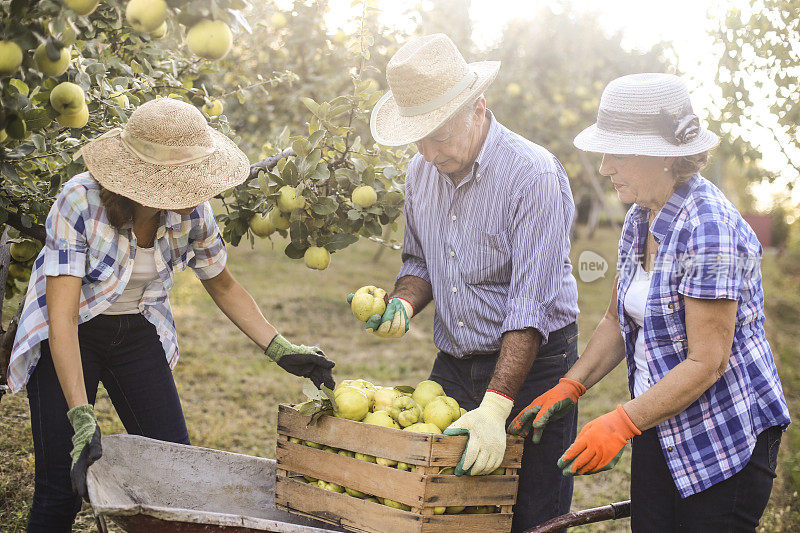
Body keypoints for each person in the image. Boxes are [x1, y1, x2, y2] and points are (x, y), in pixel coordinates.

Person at [8, 98, 336, 532]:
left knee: (173, 471)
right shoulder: (80, 201)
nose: (201, 191)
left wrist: (278, 347)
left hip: (136, 331)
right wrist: (81, 415)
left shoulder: (193, 211)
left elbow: (223, 284)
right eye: (187, 182)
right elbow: (62, 317)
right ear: (151, 183)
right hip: (70, 334)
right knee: (60, 488)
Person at [508, 73, 791, 531]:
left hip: (721, 434)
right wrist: (572, 385)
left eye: (616, 153)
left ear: (662, 157)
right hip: (659, 421)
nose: (604, 167)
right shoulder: (641, 216)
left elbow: (708, 361)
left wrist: (619, 423)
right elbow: (616, 321)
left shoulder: (709, 227)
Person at [359, 34, 580, 532]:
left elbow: (531, 306)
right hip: (455, 362)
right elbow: (419, 262)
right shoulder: (420, 171)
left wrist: (498, 405)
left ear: (478, 106)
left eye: (437, 135)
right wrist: (403, 303)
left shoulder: (533, 176)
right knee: (448, 509)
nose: (428, 151)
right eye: (418, 138)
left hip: (535, 364)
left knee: (532, 513)